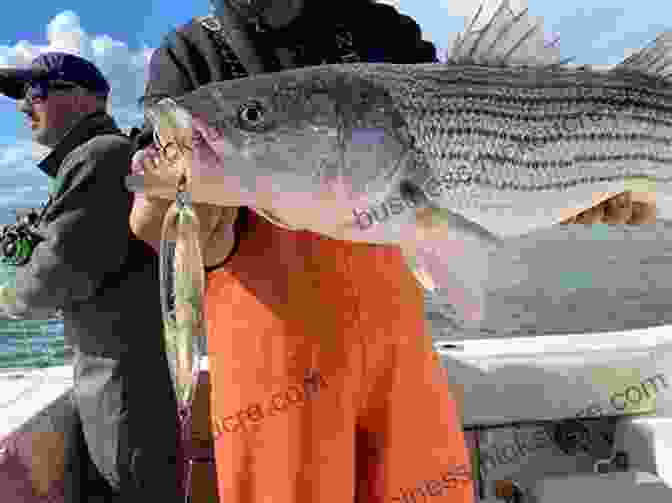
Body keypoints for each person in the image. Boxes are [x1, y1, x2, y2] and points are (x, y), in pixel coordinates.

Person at [130, 1, 474, 502]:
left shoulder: (382, 28)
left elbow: (461, 155)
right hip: (272, 367)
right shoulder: (190, 53)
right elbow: (158, 218)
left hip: (400, 348)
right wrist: (174, 211)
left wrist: (582, 190)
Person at [0, 53, 182, 503]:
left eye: (36, 90)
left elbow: (46, 284)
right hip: (126, 384)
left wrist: (9, 290)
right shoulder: (102, 155)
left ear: (84, 98)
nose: (24, 105)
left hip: (124, 392)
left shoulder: (99, 156)